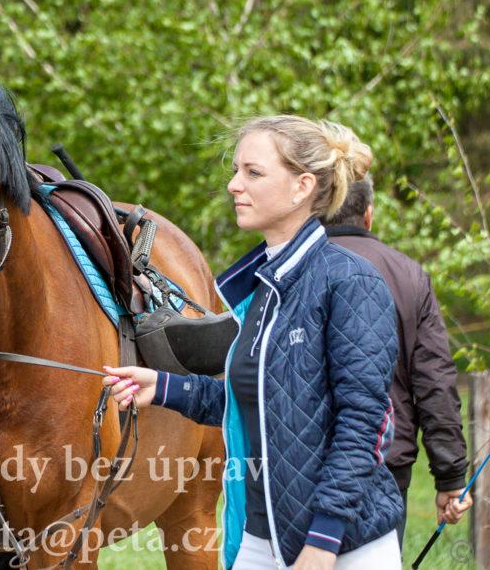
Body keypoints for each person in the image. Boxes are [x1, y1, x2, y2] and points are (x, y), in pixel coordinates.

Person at [104, 115, 403, 570]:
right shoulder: (261, 289)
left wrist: (324, 542)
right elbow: (258, 402)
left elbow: (364, 425)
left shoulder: (351, 281)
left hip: (344, 546)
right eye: (236, 170)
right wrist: (162, 387)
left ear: (302, 187)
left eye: (253, 172)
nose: (234, 185)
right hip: (259, 540)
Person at [323, 175, 471, 547]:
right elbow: (435, 381)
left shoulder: (294, 270)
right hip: (385, 460)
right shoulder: (409, 275)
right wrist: (450, 477)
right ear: (368, 214)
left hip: (305, 461)